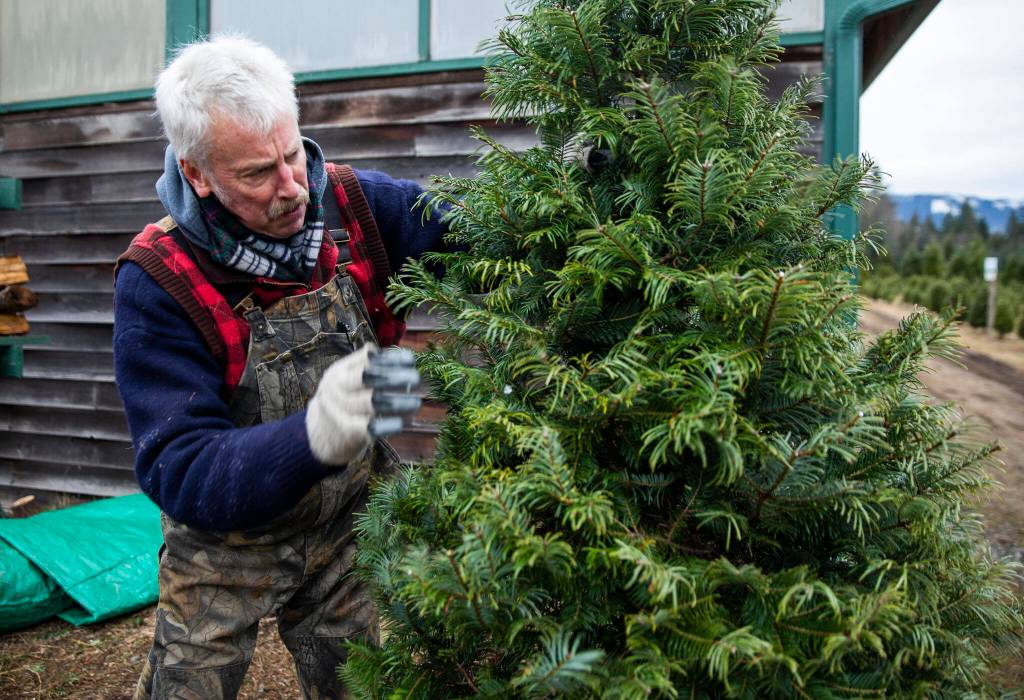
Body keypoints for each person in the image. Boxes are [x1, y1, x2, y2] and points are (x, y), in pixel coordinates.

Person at [113, 35, 448, 699]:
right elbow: (179, 465)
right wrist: (314, 435)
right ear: (198, 173)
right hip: (222, 545)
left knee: (359, 686)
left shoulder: (356, 208)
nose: (294, 190)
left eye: (293, 154)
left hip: (346, 524)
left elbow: (468, 228)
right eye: (257, 174)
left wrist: (561, 184)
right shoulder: (159, 279)